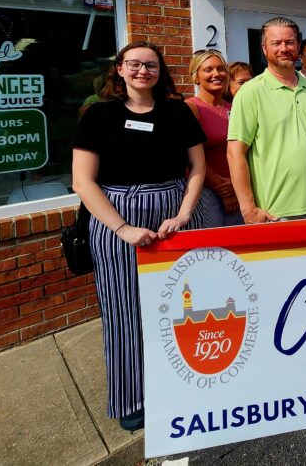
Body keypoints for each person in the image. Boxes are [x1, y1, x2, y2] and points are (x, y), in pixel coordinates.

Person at [72, 41, 206, 430]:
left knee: (183, 309)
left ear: (160, 70)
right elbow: (83, 181)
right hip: (118, 216)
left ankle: (184, 381)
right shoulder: (99, 115)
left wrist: (183, 213)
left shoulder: (177, 111)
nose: (142, 71)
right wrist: (122, 227)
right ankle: (132, 396)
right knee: (124, 311)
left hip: (174, 214)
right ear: (119, 69)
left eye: (150, 65)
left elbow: (196, 167)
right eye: (134, 64)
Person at [227, 18, 306, 223]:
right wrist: (248, 209)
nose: (284, 48)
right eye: (276, 43)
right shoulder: (250, 92)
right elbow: (235, 153)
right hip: (276, 211)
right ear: (264, 48)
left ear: (297, 46)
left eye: (290, 42)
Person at [186, 50, 242, 227]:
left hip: (238, 185)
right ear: (196, 77)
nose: (216, 74)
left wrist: (235, 184)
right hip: (206, 190)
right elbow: (193, 154)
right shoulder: (191, 107)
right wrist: (223, 189)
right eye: (208, 70)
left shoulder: (236, 107)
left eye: (220, 69)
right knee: (213, 249)